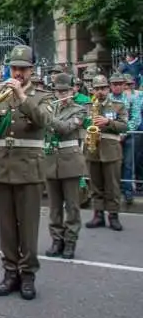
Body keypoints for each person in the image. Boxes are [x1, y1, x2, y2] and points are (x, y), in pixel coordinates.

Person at [0, 45, 53, 301]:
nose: (18, 73)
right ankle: (10, 271)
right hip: (2, 167)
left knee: (28, 227)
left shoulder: (42, 96)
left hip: (29, 169)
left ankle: (28, 274)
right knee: (6, 227)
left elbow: (45, 121)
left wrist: (22, 97)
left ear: (31, 70)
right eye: (14, 68)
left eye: (22, 69)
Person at [43, 73, 87, 259]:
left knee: (72, 206)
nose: (60, 95)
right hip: (51, 161)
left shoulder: (79, 109)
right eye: (58, 91)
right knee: (54, 207)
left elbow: (66, 128)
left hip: (70, 161)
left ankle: (70, 241)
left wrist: (45, 118)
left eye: (64, 91)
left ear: (72, 91)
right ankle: (56, 240)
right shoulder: (49, 109)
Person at [83, 74, 127, 231]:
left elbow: (124, 126)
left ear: (108, 89)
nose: (100, 91)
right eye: (97, 89)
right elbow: (83, 124)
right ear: (93, 90)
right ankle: (98, 215)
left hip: (111, 150)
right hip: (93, 150)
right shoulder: (88, 106)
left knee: (112, 186)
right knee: (95, 185)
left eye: (102, 88)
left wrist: (108, 122)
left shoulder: (118, 105)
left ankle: (113, 216)